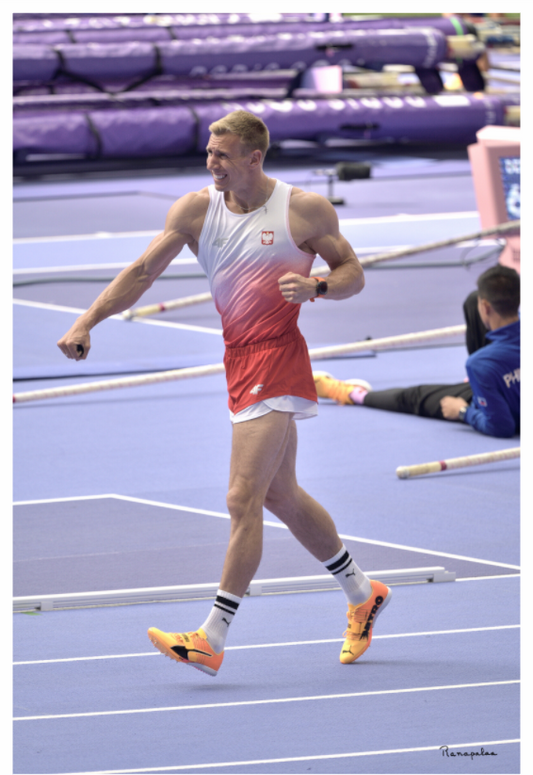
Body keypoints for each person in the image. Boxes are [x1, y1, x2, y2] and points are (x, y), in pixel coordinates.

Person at [57, 110, 392, 677]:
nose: (211, 163)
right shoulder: (195, 211)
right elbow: (142, 271)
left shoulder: (301, 209)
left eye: (222, 155)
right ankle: (364, 593)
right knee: (279, 496)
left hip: (278, 356)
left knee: (241, 498)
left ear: (254, 158)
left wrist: (316, 286)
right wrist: (87, 321)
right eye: (209, 152)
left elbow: (352, 272)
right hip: (237, 358)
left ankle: (212, 635)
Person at [314, 264, 520, 439]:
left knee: (414, 397)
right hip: (508, 368)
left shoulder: (480, 363)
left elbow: (502, 427)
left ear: (486, 307)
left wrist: (463, 411)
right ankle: (479, 384)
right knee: (472, 299)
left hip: (498, 396)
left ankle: (351, 394)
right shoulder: (483, 359)